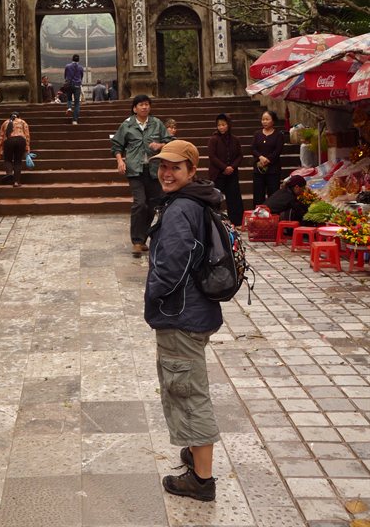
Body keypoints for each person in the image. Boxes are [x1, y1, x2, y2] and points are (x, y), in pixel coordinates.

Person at [145, 140, 222, 502]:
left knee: (189, 392)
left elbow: (171, 266)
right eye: (162, 166)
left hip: (181, 313)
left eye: (175, 167)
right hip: (196, 309)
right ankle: (194, 452)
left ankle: (201, 480)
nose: (166, 173)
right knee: (186, 382)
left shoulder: (180, 209)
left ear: (192, 171)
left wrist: (153, 295)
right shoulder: (197, 200)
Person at [111, 94, 169, 256]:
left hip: (153, 170)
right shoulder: (127, 125)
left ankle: (142, 238)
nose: (144, 107)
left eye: (147, 104)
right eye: (141, 105)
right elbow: (117, 145)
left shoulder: (157, 124)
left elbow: (171, 140)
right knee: (140, 203)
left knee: (152, 205)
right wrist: (120, 161)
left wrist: (160, 145)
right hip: (134, 170)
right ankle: (136, 241)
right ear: (134, 108)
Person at [207, 113, 244, 227]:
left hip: (232, 173)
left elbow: (239, 155)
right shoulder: (214, 139)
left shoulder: (235, 139)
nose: (221, 127)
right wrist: (224, 167)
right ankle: (215, 220)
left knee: (234, 197)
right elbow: (212, 156)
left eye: (223, 124)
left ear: (228, 125)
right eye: (219, 125)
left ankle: (236, 221)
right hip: (218, 173)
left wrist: (232, 167)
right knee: (216, 197)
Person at [252, 109, 284, 205]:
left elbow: (278, 150)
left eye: (267, 119)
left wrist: (268, 159)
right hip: (258, 169)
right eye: (263, 119)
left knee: (273, 195)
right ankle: (258, 216)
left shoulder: (278, 135)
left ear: (273, 121)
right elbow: (253, 148)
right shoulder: (257, 134)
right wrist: (260, 157)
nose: (264, 121)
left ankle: (272, 216)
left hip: (273, 170)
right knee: (258, 195)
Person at [0, 112, 31, 187]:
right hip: (21, 140)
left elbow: (1, 137)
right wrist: (27, 149)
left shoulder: (5, 123)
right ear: (19, 117)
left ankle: (9, 173)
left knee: (8, 159)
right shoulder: (23, 122)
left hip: (8, 141)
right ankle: (16, 182)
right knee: (18, 161)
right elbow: (27, 136)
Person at [64, 54, 84, 125]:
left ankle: (69, 108)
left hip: (69, 84)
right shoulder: (81, 68)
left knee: (69, 98)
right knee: (76, 103)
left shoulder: (67, 66)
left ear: (72, 59)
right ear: (78, 60)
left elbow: (65, 76)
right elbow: (81, 77)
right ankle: (75, 120)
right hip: (77, 86)